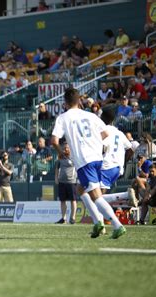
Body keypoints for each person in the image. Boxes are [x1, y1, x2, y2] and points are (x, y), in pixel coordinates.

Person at [51, 88, 126, 239]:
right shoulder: (90, 115)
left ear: (65, 103)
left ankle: (117, 225)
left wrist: (60, 152)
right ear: (79, 101)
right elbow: (105, 133)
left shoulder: (63, 118)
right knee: (81, 189)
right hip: (97, 158)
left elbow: (53, 140)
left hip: (84, 160)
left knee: (96, 196)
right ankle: (98, 222)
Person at [100, 107, 133, 193]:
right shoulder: (119, 133)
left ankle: (125, 196)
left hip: (106, 166)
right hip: (117, 168)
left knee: (98, 196)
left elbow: (102, 148)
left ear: (102, 117)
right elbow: (131, 149)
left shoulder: (103, 131)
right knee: (98, 195)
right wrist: (124, 162)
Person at [55, 143, 77, 224]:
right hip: (62, 182)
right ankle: (63, 218)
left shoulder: (74, 157)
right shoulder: (60, 158)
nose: (66, 149)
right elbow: (57, 169)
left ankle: (73, 218)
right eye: (64, 148)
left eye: (67, 147)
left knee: (73, 200)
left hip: (72, 182)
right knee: (62, 200)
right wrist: (56, 178)